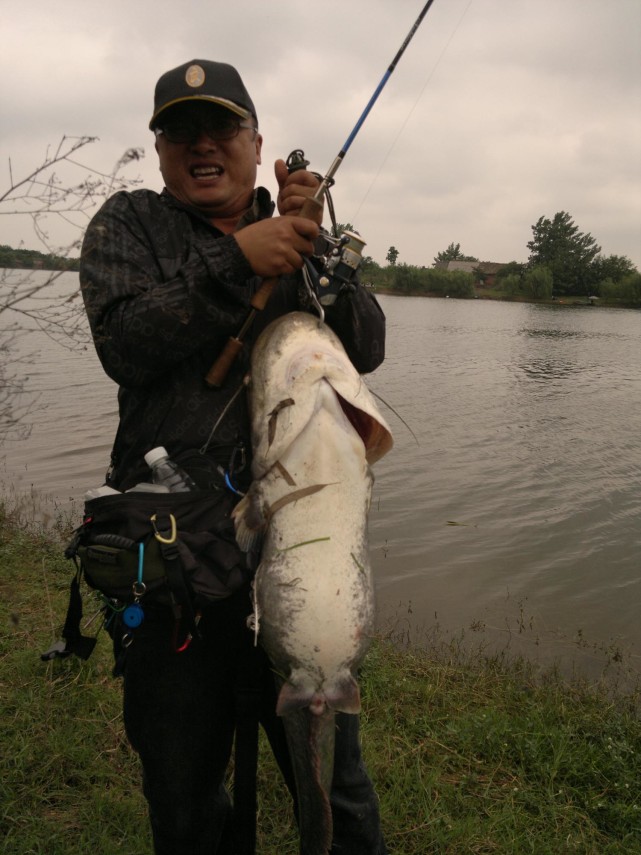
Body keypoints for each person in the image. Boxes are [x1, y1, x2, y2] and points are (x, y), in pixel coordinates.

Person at [80, 59, 387, 855]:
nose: (202, 145)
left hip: (299, 557)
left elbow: (366, 345)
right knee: (183, 793)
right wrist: (237, 258)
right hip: (178, 561)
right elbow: (125, 342)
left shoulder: (301, 240)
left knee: (337, 790)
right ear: (158, 149)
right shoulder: (129, 224)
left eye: (222, 128)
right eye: (181, 131)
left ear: (258, 143)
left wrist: (313, 246)